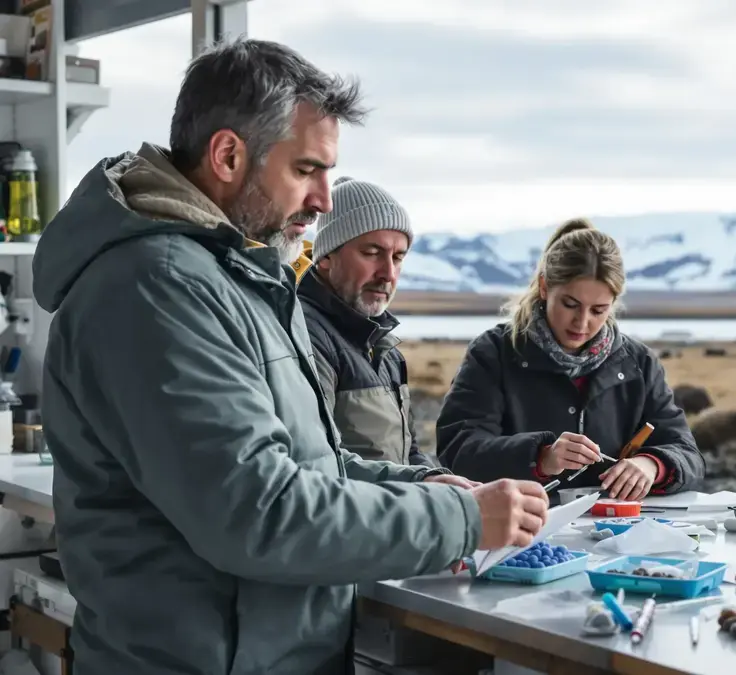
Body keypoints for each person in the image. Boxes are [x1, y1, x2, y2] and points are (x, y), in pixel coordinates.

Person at [31, 38, 547, 675]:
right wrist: (462, 519)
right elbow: (260, 513)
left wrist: (418, 485)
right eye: (307, 170)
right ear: (228, 154)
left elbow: (307, 466)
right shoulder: (158, 287)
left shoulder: (237, 277)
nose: (326, 200)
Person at [436, 219, 705, 500]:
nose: (582, 322)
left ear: (613, 304)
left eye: (598, 310)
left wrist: (653, 465)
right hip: (519, 530)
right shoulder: (493, 353)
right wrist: (540, 456)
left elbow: (689, 455)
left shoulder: (639, 363)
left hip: (618, 533)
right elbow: (458, 451)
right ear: (544, 287)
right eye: (570, 304)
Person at [297, 176, 438, 468]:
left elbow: (409, 453)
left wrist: (450, 486)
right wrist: (424, 486)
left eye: (398, 257)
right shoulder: (305, 334)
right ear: (326, 256)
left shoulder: (385, 348)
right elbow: (318, 463)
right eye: (371, 253)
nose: (388, 273)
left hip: (394, 510)